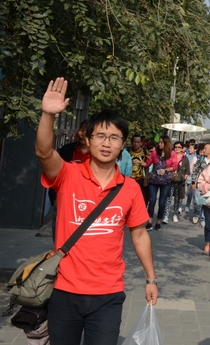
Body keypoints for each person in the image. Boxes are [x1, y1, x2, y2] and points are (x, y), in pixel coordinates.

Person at [36, 78, 157, 345]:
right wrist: (48, 115)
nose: (106, 143)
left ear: (122, 144)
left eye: (114, 137)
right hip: (64, 291)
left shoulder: (129, 189)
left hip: (108, 294)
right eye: (100, 136)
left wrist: (151, 279)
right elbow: (44, 153)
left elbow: (139, 235)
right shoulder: (68, 174)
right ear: (87, 139)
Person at [145, 135, 177, 230]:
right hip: (154, 180)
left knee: (162, 202)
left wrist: (166, 170)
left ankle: (158, 221)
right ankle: (149, 221)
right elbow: (148, 163)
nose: (159, 144)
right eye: (159, 142)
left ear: (166, 143)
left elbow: (175, 166)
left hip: (166, 180)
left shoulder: (172, 153)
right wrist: (140, 162)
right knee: (152, 200)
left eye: (162, 142)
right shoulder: (154, 152)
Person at [189, 143, 210, 224]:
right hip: (199, 183)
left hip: (209, 185)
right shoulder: (200, 158)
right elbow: (195, 171)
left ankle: (203, 218)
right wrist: (193, 182)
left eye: (205, 148)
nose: (203, 150)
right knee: (198, 201)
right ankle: (196, 214)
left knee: (206, 201)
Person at [169, 141, 191, 222]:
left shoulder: (185, 158)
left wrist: (184, 178)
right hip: (170, 180)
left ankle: (175, 214)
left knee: (177, 199)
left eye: (179, 147)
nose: (177, 148)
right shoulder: (170, 156)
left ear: (182, 148)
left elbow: (187, 171)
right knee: (168, 198)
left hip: (179, 181)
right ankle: (165, 215)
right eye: (175, 147)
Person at [129, 134, 149, 204]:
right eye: (134, 142)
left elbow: (147, 165)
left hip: (140, 179)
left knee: (140, 198)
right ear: (131, 142)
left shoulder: (144, 152)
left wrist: (146, 178)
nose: (136, 144)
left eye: (138, 142)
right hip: (129, 179)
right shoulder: (127, 151)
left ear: (141, 143)